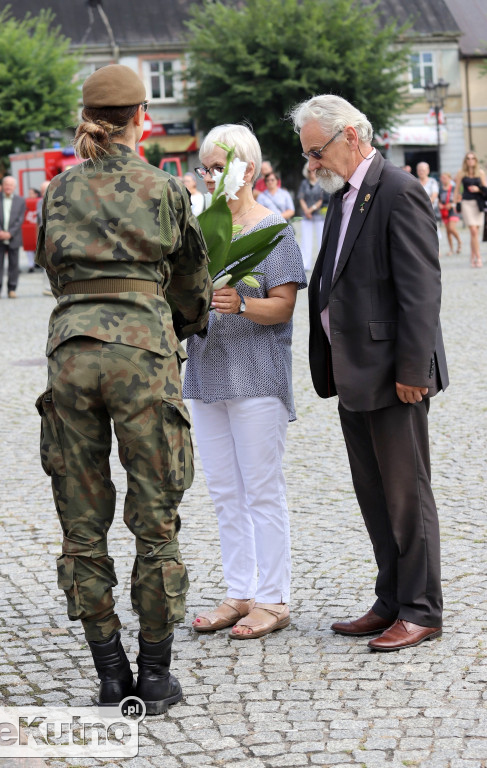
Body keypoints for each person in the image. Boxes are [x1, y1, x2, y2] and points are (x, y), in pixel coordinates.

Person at [35, 64, 212, 713]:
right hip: (143, 356)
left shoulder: (57, 191)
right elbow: (191, 282)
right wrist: (182, 326)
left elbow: (53, 269)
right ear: (142, 117)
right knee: (155, 520)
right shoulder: (162, 188)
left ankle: (110, 674)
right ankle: (156, 677)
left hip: (72, 355)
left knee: (82, 525)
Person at [290, 94, 448, 652]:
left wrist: (413, 368)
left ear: (351, 135)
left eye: (317, 151)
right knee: (373, 495)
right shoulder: (344, 196)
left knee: (407, 495)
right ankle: (390, 599)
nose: (311, 165)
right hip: (353, 371)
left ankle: (422, 608)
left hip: (392, 373)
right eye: (307, 154)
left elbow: (421, 291)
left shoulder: (400, 190)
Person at [185, 123, 306, 639]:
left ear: (249, 170)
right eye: (205, 168)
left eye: (218, 168)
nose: (209, 177)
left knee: (261, 490)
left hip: (257, 375)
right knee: (223, 492)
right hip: (206, 370)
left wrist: (243, 302)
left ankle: (273, 598)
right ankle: (238, 591)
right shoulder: (197, 228)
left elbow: (284, 306)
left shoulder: (274, 229)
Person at [0, 175, 26, 299]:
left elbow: (20, 219)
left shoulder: (21, 200)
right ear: (2, 186)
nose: (8, 187)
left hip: (13, 237)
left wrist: (10, 233)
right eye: (6, 184)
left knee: (14, 264)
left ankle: (12, 289)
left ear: (14, 187)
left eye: (10, 185)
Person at [453, 151, 486, 268]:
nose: (470, 160)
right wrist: (455, 203)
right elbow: (457, 189)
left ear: (476, 160)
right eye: (468, 158)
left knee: (475, 233)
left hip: (478, 204)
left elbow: (485, 189)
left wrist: (478, 189)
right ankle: (479, 257)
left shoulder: (480, 173)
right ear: (465, 160)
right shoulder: (461, 172)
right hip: (466, 203)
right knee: (473, 231)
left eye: (472, 158)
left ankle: (472, 256)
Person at [297, 162, 324, 271]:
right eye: (309, 171)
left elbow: (322, 200)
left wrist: (311, 209)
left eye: (312, 170)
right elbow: (301, 198)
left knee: (321, 239)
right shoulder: (304, 183)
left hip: (319, 215)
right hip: (306, 215)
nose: (311, 173)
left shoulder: (321, 183)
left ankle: (322, 264)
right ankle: (305, 264)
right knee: (305, 239)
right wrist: (306, 211)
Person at [36, 180, 54, 295]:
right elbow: (40, 218)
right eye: (42, 191)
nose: (44, 193)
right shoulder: (39, 203)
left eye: (45, 190)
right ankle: (47, 287)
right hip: (45, 234)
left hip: (55, 235)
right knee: (45, 262)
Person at [438, 172, 461, 257]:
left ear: (449, 178)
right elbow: (439, 200)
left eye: (445, 178)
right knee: (448, 231)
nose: (443, 180)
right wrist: (440, 205)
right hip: (444, 211)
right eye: (442, 178)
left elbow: (459, 199)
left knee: (451, 228)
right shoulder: (440, 189)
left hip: (452, 210)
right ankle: (451, 249)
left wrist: (451, 204)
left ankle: (459, 241)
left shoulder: (454, 188)